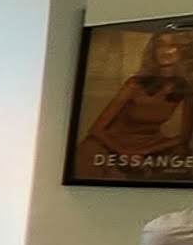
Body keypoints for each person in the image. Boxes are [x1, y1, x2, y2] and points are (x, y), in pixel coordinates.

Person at [78, 23, 193, 180]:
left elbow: (183, 137)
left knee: (182, 157)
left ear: (183, 50)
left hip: (149, 144)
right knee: (90, 155)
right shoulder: (135, 84)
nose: (165, 51)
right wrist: (125, 152)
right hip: (112, 142)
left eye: (172, 45)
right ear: (153, 51)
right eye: (160, 45)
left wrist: (144, 151)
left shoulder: (185, 88)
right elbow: (96, 129)